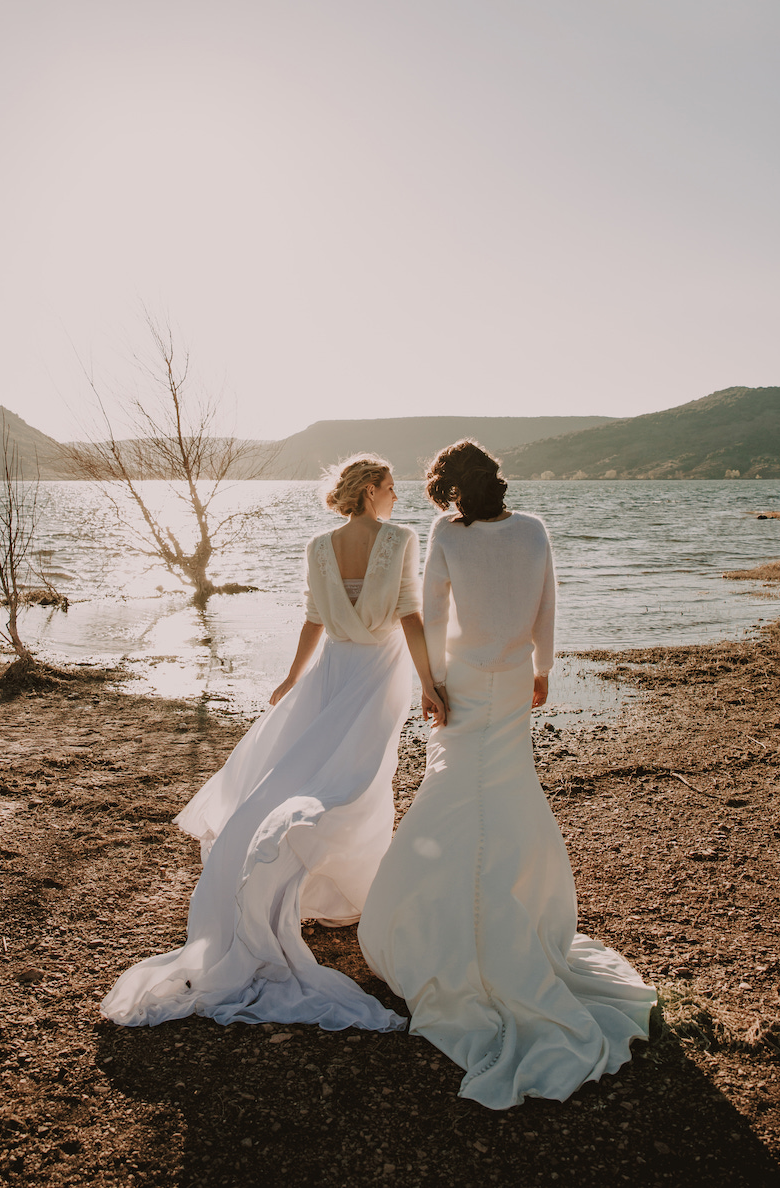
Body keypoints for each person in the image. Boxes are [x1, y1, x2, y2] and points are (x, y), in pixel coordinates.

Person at [101, 454, 445, 1033]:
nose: (395, 496)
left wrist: (293, 678)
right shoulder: (402, 538)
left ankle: (329, 893)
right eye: (389, 486)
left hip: (332, 671)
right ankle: (343, 895)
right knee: (356, 782)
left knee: (323, 775)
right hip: (379, 673)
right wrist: (430, 683)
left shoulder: (319, 546)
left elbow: (314, 619)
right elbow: (409, 614)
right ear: (369, 492)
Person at [358, 440, 656, 1108]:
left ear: (451, 490)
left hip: (462, 679)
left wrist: (428, 681)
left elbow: (433, 611)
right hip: (514, 677)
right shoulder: (534, 530)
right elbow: (549, 601)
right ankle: (520, 912)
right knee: (509, 791)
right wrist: (543, 668)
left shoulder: (447, 532)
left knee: (454, 791)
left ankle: (438, 921)